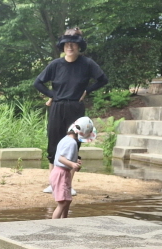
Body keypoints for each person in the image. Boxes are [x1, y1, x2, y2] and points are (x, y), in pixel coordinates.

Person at [34, 27, 107, 193]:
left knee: (73, 144)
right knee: (54, 143)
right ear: (63, 46)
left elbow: (103, 79)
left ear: (79, 46)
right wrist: (53, 94)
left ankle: (67, 184)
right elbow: (37, 83)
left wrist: (87, 91)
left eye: (73, 44)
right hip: (57, 107)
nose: (70, 47)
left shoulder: (87, 64)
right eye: (67, 44)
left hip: (76, 107)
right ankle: (53, 183)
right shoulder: (55, 64)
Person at [50, 117, 95, 219]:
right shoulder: (72, 143)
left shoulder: (65, 139)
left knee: (68, 200)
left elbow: (64, 157)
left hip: (61, 173)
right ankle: (54, 224)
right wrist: (72, 165)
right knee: (62, 203)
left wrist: (75, 161)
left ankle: (65, 221)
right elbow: (61, 158)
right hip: (60, 174)